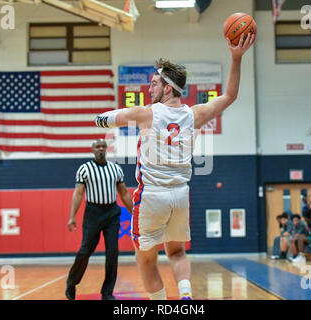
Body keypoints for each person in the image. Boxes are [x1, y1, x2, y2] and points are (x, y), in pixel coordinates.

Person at [95, 34, 255, 300]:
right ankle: (185, 297)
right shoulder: (195, 115)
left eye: (154, 83)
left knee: (145, 259)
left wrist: (98, 119)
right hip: (181, 195)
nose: (150, 88)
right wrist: (236, 58)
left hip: (152, 195)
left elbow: (105, 120)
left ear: (168, 88)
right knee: (177, 252)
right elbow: (230, 95)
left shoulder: (146, 112)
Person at [65, 139, 133, 300]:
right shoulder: (84, 169)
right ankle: (72, 282)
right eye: (98, 147)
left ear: (107, 149)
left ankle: (107, 292)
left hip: (112, 213)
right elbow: (78, 193)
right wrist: (72, 216)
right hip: (93, 213)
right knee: (85, 250)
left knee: (112, 253)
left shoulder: (115, 169)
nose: (101, 149)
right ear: (93, 149)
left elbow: (123, 193)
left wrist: (135, 212)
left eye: (103, 146)